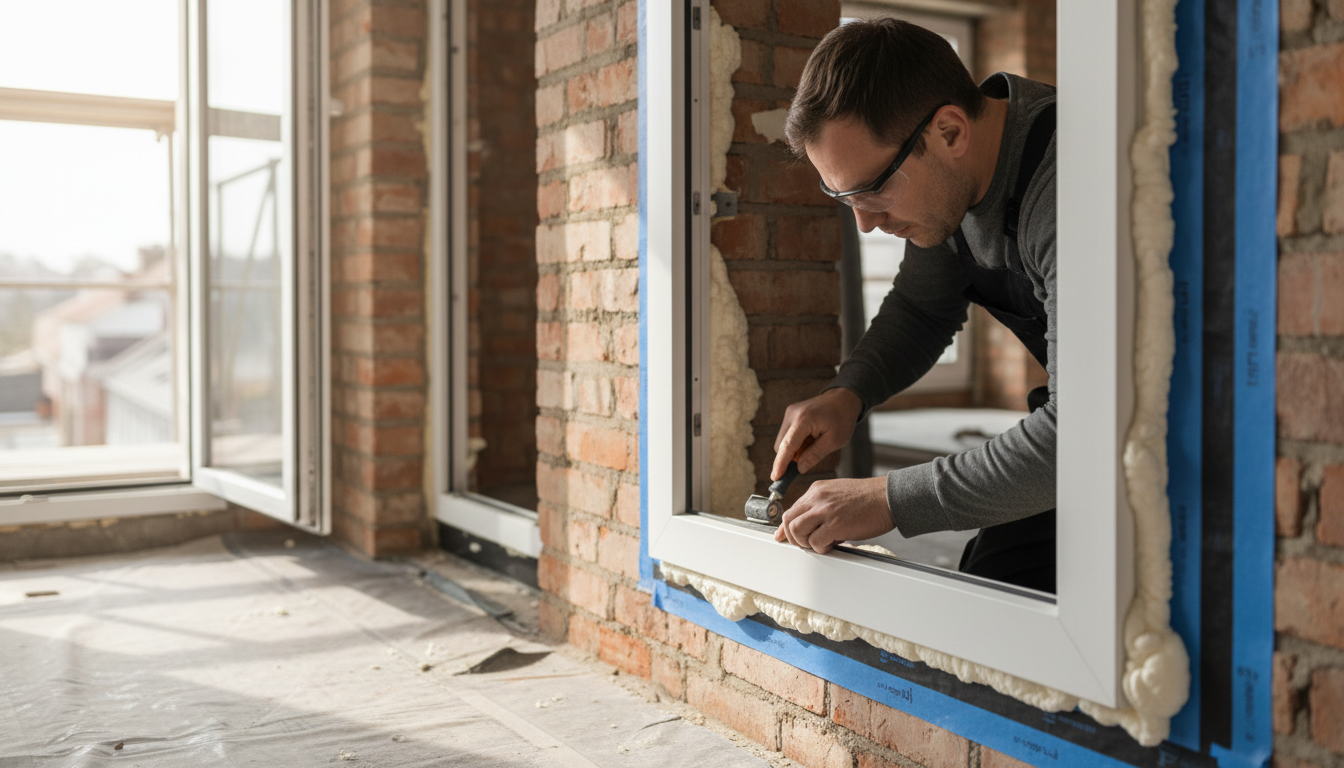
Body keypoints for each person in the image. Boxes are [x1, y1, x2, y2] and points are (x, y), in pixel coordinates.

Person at [770, 18, 1058, 593]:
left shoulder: (1066, 191)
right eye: (844, 197)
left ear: (949, 132)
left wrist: (889, 499)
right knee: (991, 590)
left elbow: (1089, 434)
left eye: (872, 190)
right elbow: (923, 309)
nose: (866, 223)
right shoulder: (950, 186)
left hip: (1179, 440)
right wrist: (847, 395)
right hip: (1092, 427)